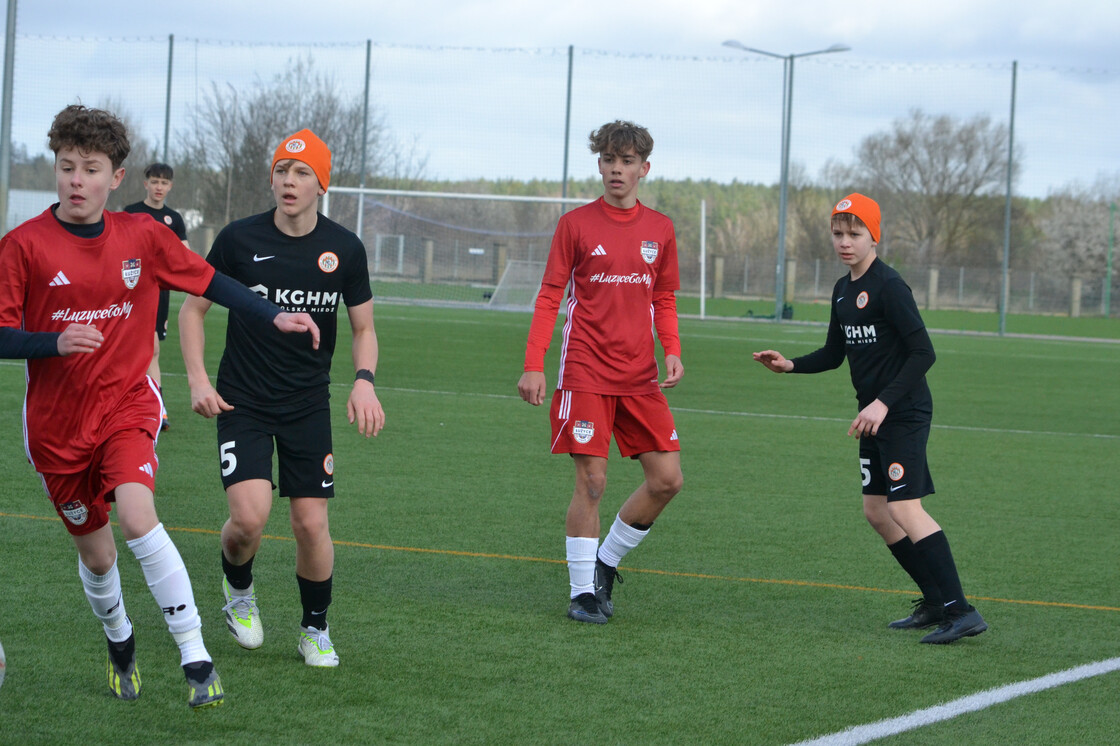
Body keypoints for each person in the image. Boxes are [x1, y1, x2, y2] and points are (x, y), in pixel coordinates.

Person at [0, 104, 321, 708]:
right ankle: (120, 641)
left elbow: (209, 280)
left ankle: (195, 658)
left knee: (137, 517)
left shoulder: (144, 236)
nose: (76, 180)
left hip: (126, 404)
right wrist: (52, 342)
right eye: (66, 166)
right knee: (97, 559)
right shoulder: (22, 246)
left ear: (114, 177)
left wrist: (272, 313)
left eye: (90, 168)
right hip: (55, 430)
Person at [179, 128, 385, 667]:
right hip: (241, 398)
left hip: (307, 403)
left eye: (301, 173)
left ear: (322, 183)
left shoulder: (344, 248)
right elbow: (192, 310)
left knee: (310, 523)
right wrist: (199, 380)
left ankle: (315, 629)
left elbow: (363, 327)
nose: (288, 182)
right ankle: (238, 592)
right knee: (249, 519)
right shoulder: (237, 240)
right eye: (281, 171)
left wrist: (364, 379)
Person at [753, 193, 987, 644]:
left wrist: (883, 402)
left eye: (854, 233)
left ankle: (962, 610)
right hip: (874, 416)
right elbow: (834, 353)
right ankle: (935, 602)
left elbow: (924, 352)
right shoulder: (843, 290)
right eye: (838, 233)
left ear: (873, 235)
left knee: (903, 507)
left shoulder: (890, 286)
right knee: (877, 512)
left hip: (903, 412)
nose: (844, 242)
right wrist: (790, 365)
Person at [517, 120, 684, 624]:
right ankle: (581, 594)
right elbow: (550, 296)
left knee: (667, 480)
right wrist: (534, 364)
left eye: (627, 160)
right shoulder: (575, 225)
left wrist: (671, 348)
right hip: (585, 370)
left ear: (644, 169)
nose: (617, 169)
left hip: (640, 376)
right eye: (610, 159)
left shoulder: (660, 229)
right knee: (592, 482)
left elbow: (663, 296)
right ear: (599, 164)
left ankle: (604, 564)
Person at [123, 162, 189, 432]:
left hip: (158, 292)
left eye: (164, 182)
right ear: (145, 183)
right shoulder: (131, 213)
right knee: (144, 350)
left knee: (152, 351)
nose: (159, 187)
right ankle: (154, 409)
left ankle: (152, 408)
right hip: (131, 290)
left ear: (170, 186)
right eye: (155, 181)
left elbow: (184, 254)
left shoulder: (174, 219)